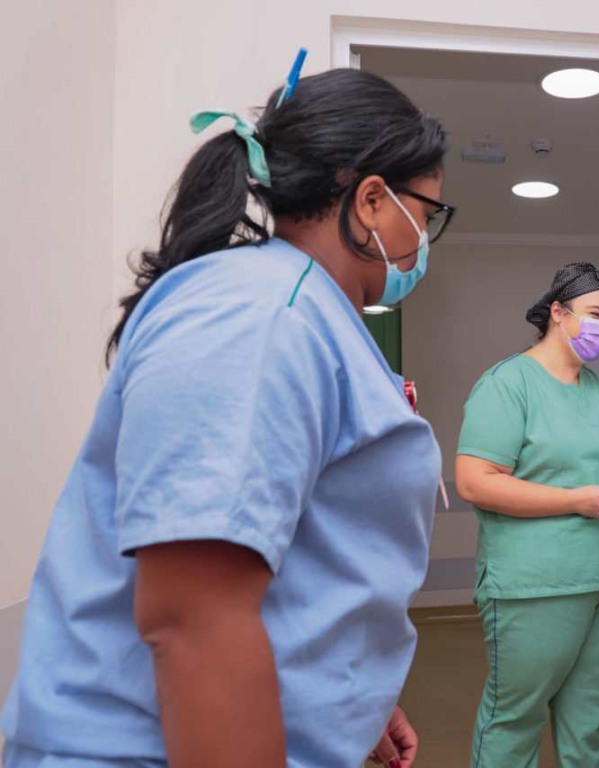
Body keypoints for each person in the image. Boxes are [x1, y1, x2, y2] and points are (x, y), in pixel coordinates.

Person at [2, 68, 454, 768]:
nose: (425, 236)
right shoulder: (260, 318)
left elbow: (301, 556)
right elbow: (194, 617)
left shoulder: (302, 313)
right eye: (427, 213)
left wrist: (347, 694)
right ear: (371, 200)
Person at [455, 262, 599, 768]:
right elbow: (475, 481)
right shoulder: (508, 384)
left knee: (590, 723)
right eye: (596, 313)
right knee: (515, 719)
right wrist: (571, 501)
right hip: (536, 585)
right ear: (558, 312)